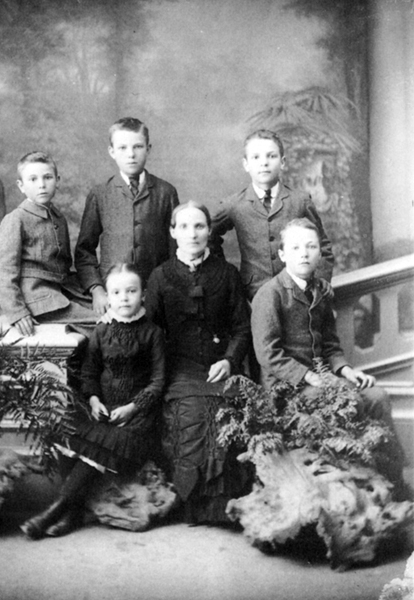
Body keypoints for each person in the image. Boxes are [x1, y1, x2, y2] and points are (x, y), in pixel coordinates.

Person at [251, 218, 406, 493]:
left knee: (377, 396)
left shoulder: (319, 291)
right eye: (296, 247)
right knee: (350, 401)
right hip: (286, 387)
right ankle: (353, 483)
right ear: (282, 254)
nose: (304, 253)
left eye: (311, 247)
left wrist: (347, 370)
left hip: (324, 380)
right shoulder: (270, 294)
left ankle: (392, 479)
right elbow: (267, 353)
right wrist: (308, 377)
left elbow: (331, 345)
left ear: (319, 253)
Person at [20, 263, 165, 539]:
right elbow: (89, 373)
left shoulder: (152, 333)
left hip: (137, 418)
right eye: (117, 292)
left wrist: (132, 407)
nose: (124, 298)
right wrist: (95, 400)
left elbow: (158, 381)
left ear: (143, 294)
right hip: (104, 411)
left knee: (101, 449)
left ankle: (54, 512)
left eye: (131, 291)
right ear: (107, 297)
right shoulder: (101, 331)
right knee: (67, 430)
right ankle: (73, 513)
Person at [145, 201, 252, 525]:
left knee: (224, 414)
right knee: (191, 414)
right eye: (184, 227)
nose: (192, 234)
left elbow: (242, 328)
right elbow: (150, 333)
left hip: (221, 368)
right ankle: (195, 505)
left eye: (199, 226)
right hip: (180, 371)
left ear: (208, 231)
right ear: (173, 232)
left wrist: (230, 360)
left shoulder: (227, 274)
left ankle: (224, 505)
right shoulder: (160, 276)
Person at [210, 129, 334, 301]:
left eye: (271, 156)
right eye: (256, 157)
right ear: (246, 164)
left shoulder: (300, 201)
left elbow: (323, 245)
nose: (264, 163)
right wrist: (225, 274)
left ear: (282, 162)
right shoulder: (234, 204)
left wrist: (320, 279)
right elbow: (208, 236)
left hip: (298, 293)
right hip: (253, 294)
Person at [75, 117, 179, 318]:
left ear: (148, 149)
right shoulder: (100, 194)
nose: (131, 154)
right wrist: (96, 289)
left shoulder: (166, 192)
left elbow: (175, 248)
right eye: (122, 148)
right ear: (112, 151)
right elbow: (84, 251)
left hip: (156, 293)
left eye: (137, 147)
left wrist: (166, 288)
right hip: (112, 296)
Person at [0, 151, 96, 337]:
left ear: (57, 180)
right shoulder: (16, 219)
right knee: (102, 322)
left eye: (47, 177)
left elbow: (63, 266)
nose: (41, 185)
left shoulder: (58, 218)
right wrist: (17, 312)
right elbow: (2, 271)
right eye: (33, 179)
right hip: (38, 300)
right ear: (21, 186)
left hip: (62, 291)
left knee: (113, 310)